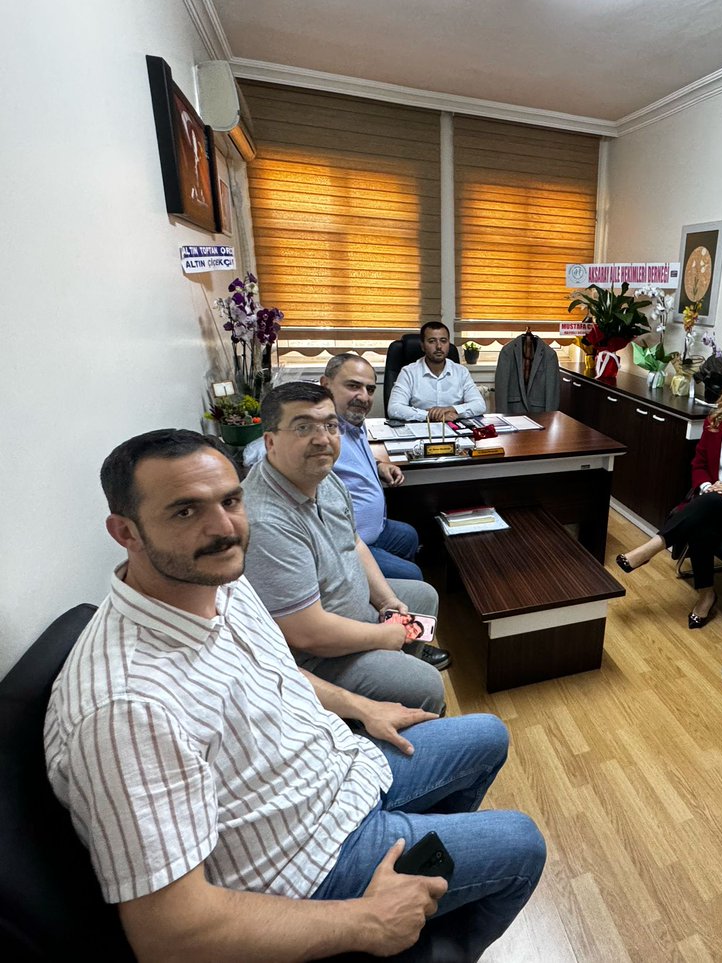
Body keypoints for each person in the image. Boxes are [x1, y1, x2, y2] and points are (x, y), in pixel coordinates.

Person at [44, 429, 545, 961]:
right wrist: (362, 921)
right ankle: (414, 939)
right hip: (306, 863)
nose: (223, 528)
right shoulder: (125, 708)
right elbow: (169, 933)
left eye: (230, 501)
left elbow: (277, 671)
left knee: (487, 733)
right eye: (185, 512)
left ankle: (419, 891)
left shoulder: (217, 582)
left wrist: (362, 708)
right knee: (521, 842)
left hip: (339, 774)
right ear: (126, 532)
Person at [243, 383, 451, 717]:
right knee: (426, 684)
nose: (322, 438)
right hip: (319, 656)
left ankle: (392, 695)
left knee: (423, 596)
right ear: (270, 442)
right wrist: (382, 636)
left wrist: (384, 601)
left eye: (329, 425)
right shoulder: (266, 521)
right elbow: (307, 634)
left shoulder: (322, 477)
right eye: (303, 427)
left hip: (350, 612)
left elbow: (352, 542)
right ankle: (386, 712)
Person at [617, 366, 722, 628]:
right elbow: (699, 464)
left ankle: (653, 547)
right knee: (701, 527)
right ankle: (707, 595)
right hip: (710, 502)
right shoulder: (715, 423)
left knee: (711, 504)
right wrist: (708, 486)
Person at [245, 354, 423, 580]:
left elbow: (351, 462)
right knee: (412, 574)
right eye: (353, 386)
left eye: (370, 389)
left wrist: (379, 465)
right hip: (345, 541)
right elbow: (264, 454)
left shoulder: (353, 424)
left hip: (373, 529)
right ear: (325, 385)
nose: (364, 396)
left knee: (409, 535)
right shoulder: (322, 436)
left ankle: (392, 589)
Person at [388, 321, 486, 422]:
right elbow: (394, 408)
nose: (439, 346)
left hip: (454, 429)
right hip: (422, 430)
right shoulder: (408, 372)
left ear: (448, 344)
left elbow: (479, 405)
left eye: (443, 341)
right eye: (432, 341)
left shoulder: (461, 372)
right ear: (422, 346)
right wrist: (428, 415)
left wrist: (452, 410)